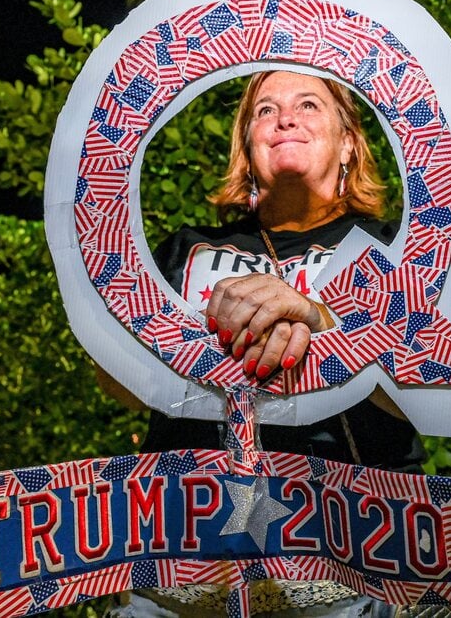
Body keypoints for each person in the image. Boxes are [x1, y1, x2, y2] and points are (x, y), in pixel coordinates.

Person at [106, 71, 427, 616]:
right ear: (247, 147)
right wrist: (190, 335)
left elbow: (423, 386)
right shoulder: (188, 248)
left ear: (349, 141)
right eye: (264, 110)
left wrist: (318, 318)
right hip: (183, 553)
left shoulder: (396, 247)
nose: (285, 118)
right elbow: (118, 381)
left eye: (309, 103)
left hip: (347, 553)